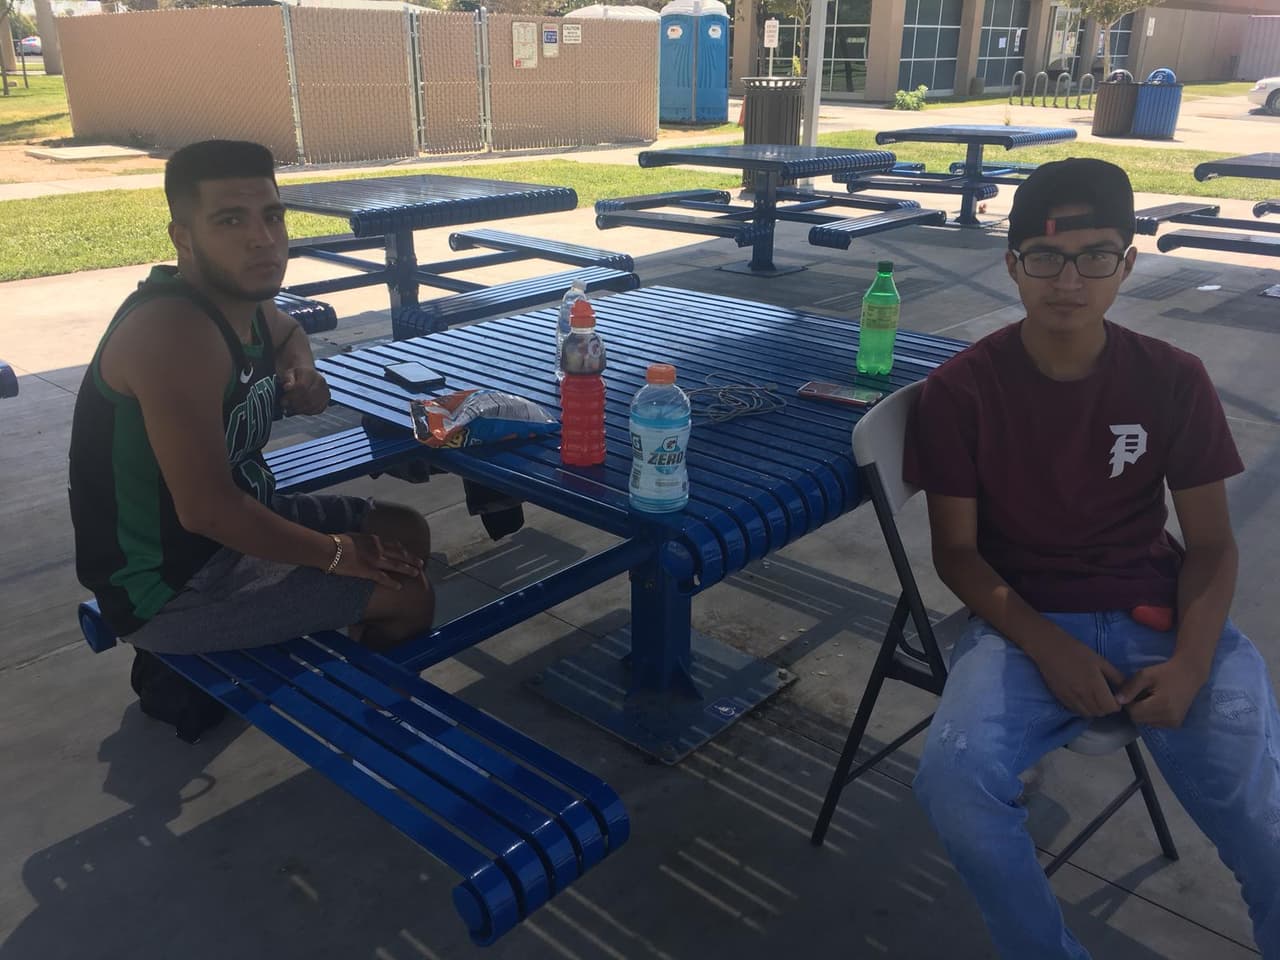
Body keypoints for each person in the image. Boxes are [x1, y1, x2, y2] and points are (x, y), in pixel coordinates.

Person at [904, 157, 1279, 959]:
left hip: (1159, 611)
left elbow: (1212, 546)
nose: (1068, 281)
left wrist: (1191, 663)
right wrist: (1049, 645)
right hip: (1024, 622)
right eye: (1045, 257)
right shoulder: (961, 392)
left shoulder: (1173, 379)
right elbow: (958, 555)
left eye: (1095, 256)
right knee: (954, 779)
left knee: (1264, 823)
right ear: (1012, 265)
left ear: (1128, 265)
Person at [69, 139, 435, 657]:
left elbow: (287, 332)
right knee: (409, 595)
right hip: (170, 583)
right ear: (183, 237)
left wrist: (302, 370)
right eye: (230, 221)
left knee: (404, 531)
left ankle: (338, 644)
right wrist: (335, 554)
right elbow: (208, 511)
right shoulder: (173, 331)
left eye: (272, 216)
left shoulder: (242, 302)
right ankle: (352, 696)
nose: (262, 239)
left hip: (241, 520)